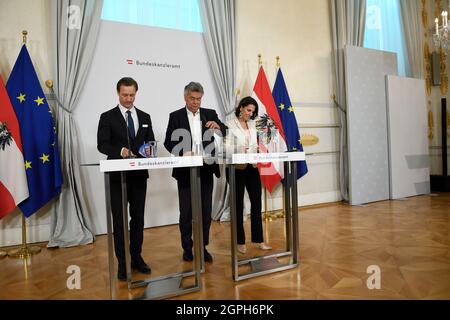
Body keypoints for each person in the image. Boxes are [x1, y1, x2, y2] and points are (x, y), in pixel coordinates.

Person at [97, 77, 155, 281]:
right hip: (117, 177)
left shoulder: (145, 116)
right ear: (118, 93)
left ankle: (136, 258)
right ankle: (122, 263)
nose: (128, 98)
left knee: (138, 219)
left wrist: (150, 150)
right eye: (125, 95)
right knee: (120, 221)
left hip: (139, 176)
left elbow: (151, 143)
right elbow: (102, 145)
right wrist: (120, 150)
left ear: (136, 93)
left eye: (132, 95)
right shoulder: (107, 117)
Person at [164, 82, 227, 263]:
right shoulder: (175, 116)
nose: (195, 102)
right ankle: (187, 248)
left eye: (198, 99)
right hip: (185, 171)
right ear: (185, 97)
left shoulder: (210, 113)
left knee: (206, 211)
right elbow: (168, 142)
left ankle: (203, 247)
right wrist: (181, 151)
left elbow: (225, 131)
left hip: (207, 168)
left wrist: (219, 127)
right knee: (187, 212)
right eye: (192, 98)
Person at [224, 96, 272, 254]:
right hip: (236, 168)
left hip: (251, 167)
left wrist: (257, 150)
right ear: (241, 108)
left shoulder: (253, 125)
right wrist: (239, 150)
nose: (250, 114)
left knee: (256, 203)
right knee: (238, 205)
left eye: (253, 111)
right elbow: (225, 148)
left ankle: (259, 240)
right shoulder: (229, 124)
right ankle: (240, 241)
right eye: (248, 110)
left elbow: (256, 144)